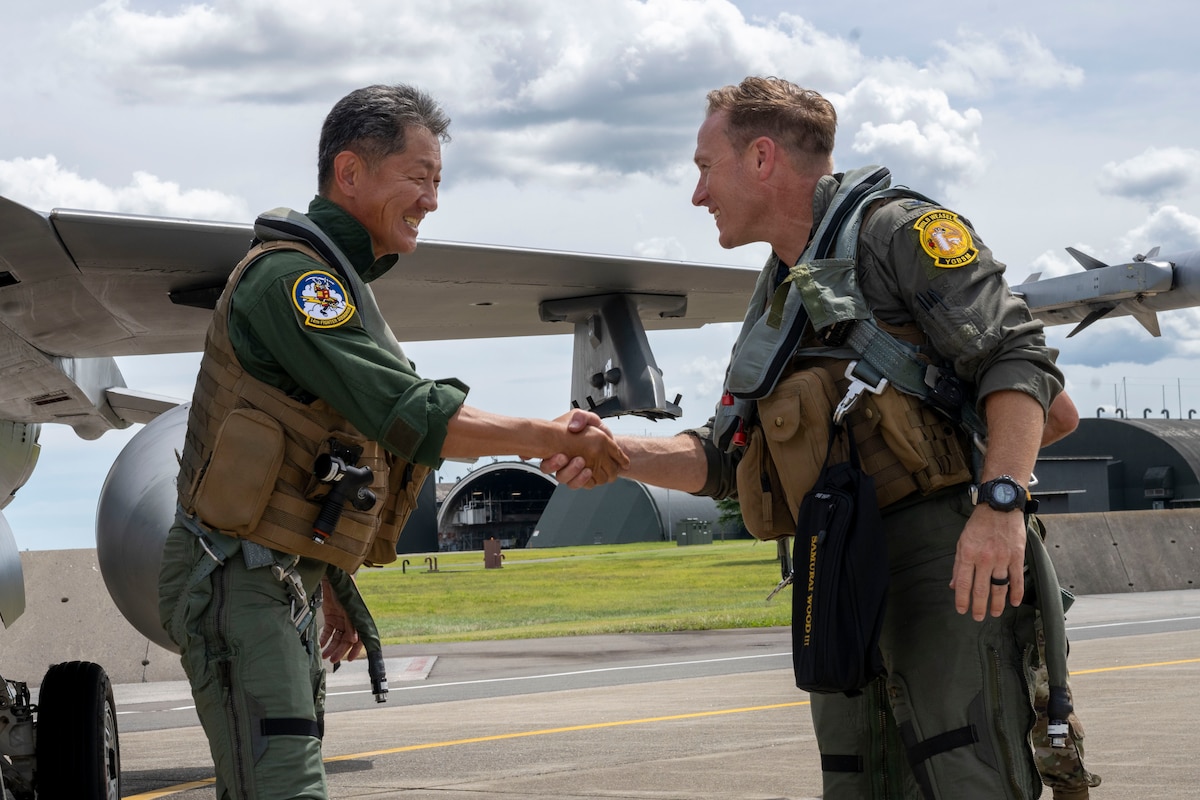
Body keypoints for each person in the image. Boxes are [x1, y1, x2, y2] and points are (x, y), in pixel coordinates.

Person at [551, 76, 1090, 798]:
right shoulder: (780, 290)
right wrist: (612, 453)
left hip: (943, 556)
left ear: (763, 158)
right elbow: (725, 454)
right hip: (839, 567)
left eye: (704, 168)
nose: (697, 194)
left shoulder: (898, 232)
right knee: (856, 778)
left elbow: (1019, 358)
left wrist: (998, 509)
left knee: (968, 773)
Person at [157, 83, 627, 800]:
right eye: (419, 177)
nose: (432, 200)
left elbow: (316, 456)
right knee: (282, 787)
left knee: (272, 780)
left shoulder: (336, 288)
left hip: (274, 579)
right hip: (237, 581)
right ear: (351, 173)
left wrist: (330, 579)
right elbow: (409, 415)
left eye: (438, 181)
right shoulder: (294, 282)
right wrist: (551, 434)